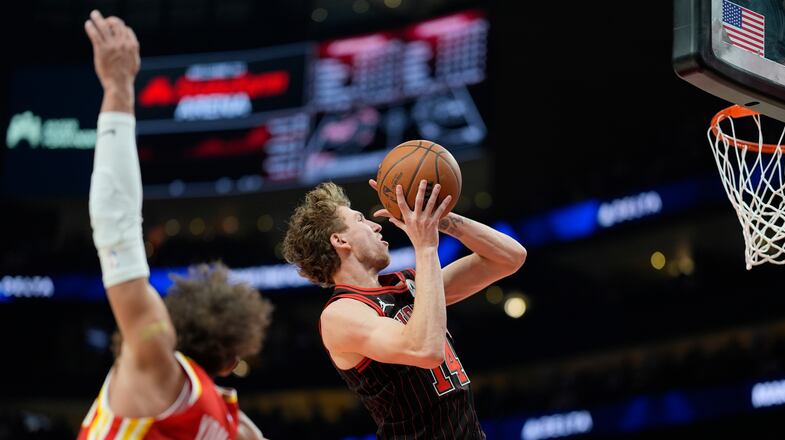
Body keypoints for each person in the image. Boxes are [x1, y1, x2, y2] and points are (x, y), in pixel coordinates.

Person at [78, 11, 272, 440]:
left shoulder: (155, 362)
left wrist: (118, 91)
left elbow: (117, 230)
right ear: (230, 357)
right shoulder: (236, 426)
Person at [282, 179, 527, 438]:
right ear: (340, 240)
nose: (377, 226)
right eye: (361, 220)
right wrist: (425, 246)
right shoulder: (341, 313)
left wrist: (440, 219)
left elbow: (510, 258)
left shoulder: (408, 284)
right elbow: (425, 349)